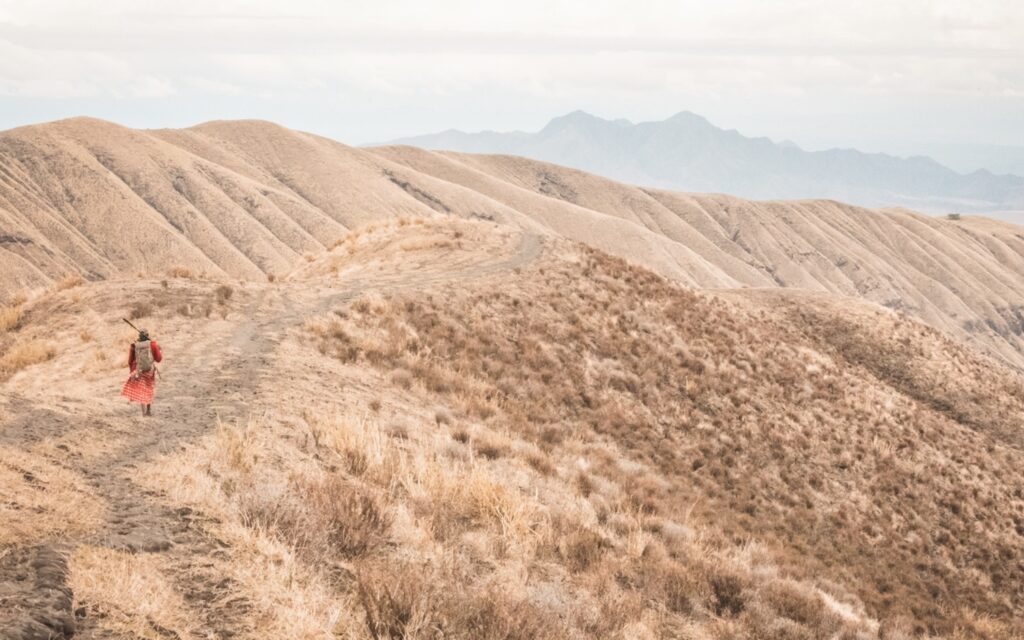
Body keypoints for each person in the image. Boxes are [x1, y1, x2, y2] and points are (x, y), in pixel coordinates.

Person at [121, 329, 162, 416]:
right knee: (148, 389)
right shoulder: (152, 344)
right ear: (148, 335)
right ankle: (148, 411)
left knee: (141, 391)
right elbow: (159, 359)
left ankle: (143, 413)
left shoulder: (134, 345)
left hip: (138, 371)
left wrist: (132, 371)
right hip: (149, 371)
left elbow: (129, 361)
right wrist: (157, 348)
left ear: (139, 337)